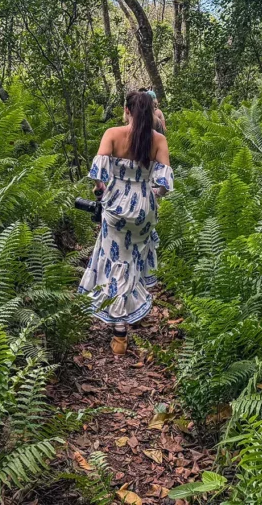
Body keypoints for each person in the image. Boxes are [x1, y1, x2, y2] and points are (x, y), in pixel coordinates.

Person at [78, 91, 174, 354]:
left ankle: (120, 331)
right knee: (132, 260)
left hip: (117, 207)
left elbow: (98, 177)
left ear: (127, 111)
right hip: (144, 208)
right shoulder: (158, 140)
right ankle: (131, 309)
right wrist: (152, 194)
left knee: (117, 262)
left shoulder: (112, 133)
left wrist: (102, 192)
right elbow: (164, 184)